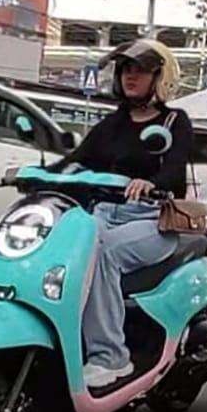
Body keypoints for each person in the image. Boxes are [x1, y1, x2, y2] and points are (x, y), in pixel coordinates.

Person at [49, 39, 193, 388]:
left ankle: (112, 357)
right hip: (102, 212)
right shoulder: (112, 124)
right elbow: (76, 160)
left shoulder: (174, 122)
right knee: (59, 247)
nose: (131, 75)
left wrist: (151, 182)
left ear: (160, 77)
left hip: (149, 219)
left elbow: (175, 170)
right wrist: (36, 174)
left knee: (102, 254)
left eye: (140, 69)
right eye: (126, 68)